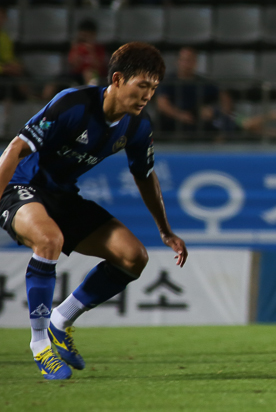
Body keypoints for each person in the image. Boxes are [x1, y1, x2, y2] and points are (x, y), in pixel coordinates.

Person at [0, 42, 187, 380]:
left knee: (133, 257)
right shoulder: (74, 104)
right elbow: (14, 149)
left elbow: (144, 175)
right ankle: (40, 345)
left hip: (62, 195)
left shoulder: (137, 126)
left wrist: (165, 229)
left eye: (154, 88)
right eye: (142, 85)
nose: (148, 95)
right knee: (48, 239)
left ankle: (61, 320)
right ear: (117, 79)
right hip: (20, 186)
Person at [155, 46, 218, 134]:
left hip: (196, 120)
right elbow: (162, 104)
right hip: (172, 121)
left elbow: (221, 97)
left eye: (190, 60)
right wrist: (180, 115)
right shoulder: (168, 82)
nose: (186, 64)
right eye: (184, 60)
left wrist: (211, 110)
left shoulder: (203, 83)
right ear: (177, 61)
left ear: (195, 62)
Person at [0, 7, 30, 100]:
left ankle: (30, 99)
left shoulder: (4, 36)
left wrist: (16, 65)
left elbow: (8, 58)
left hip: (6, 72)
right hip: (3, 72)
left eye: (2, 17)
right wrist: (4, 69)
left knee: (24, 73)